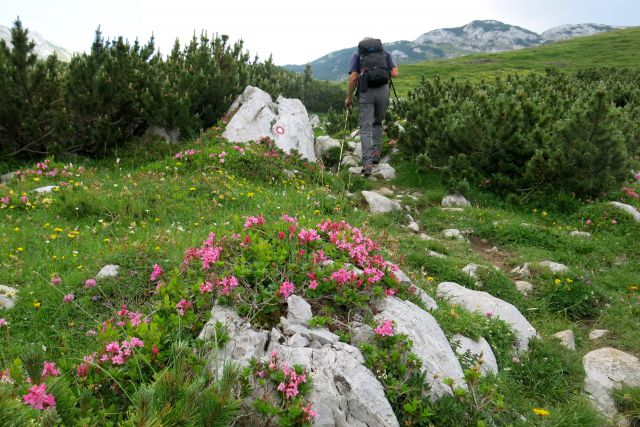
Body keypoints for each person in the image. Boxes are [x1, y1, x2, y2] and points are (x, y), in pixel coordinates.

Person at [345, 37, 399, 176]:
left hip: (366, 92)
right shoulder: (385, 54)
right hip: (383, 91)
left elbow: (352, 78)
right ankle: (376, 152)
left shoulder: (357, 55)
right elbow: (395, 74)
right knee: (377, 122)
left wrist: (349, 98)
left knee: (365, 128)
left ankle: (367, 163)